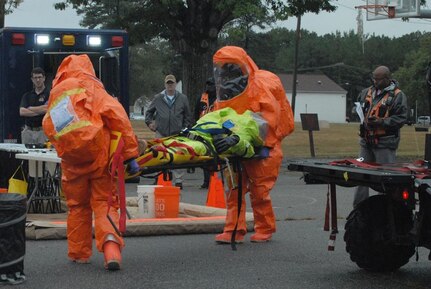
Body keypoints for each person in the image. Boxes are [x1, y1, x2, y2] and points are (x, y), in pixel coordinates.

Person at [42, 54, 140, 270]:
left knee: (77, 206)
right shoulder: (92, 87)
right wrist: (131, 153)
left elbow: (48, 125)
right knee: (104, 203)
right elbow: (118, 117)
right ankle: (111, 249)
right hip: (99, 157)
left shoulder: (57, 92)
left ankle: (78, 253)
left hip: (72, 161)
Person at [211, 46, 294, 243]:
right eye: (223, 68)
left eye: (230, 67)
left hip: (263, 146)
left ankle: (265, 228)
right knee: (234, 191)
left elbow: (267, 120)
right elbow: (219, 115)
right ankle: (234, 230)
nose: (226, 71)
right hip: (235, 146)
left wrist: (241, 137)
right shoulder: (225, 90)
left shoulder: (260, 86)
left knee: (260, 191)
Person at [353, 65, 408, 207]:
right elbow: (357, 106)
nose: (375, 82)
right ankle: (359, 209)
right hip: (366, 142)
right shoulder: (366, 92)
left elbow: (402, 118)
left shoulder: (398, 96)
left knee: (386, 179)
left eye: (378, 79)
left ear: (387, 79)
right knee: (361, 176)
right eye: (374, 78)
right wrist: (358, 113)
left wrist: (381, 122)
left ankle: (386, 211)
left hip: (385, 143)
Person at [145, 74, 192, 189]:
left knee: (179, 156)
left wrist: (184, 128)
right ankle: (160, 178)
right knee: (160, 156)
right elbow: (149, 113)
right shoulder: (158, 98)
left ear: (175, 84)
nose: (170, 85)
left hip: (177, 133)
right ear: (165, 85)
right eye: (168, 83)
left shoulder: (183, 98)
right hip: (161, 132)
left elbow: (187, 116)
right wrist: (150, 123)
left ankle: (179, 180)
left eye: (172, 83)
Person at [194, 77, 217, 189]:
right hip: (203, 130)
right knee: (205, 156)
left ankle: (215, 180)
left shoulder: (220, 98)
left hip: (216, 130)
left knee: (215, 156)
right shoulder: (201, 98)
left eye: (211, 85)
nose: (209, 87)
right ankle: (206, 180)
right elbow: (195, 113)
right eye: (208, 85)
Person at [19, 67, 49, 144]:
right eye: (35, 78)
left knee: (43, 155)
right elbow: (22, 112)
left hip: (43, 132)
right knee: (25, 156)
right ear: (32, 79)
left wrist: (30, 108)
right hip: (28, 132)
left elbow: (47, 109)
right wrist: (40, 111)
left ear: (44, 78)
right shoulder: (27, 95)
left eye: (39, 77)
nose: (37, 80)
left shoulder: (50, 94)